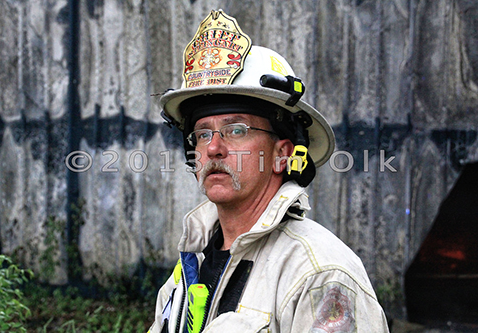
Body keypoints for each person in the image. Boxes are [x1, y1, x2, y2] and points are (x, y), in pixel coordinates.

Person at [149, 10, 389, 333]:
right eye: (203, 133)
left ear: (282, 155)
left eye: (236, 130)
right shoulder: (191, 264)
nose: (213, 148)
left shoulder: (319, 274)